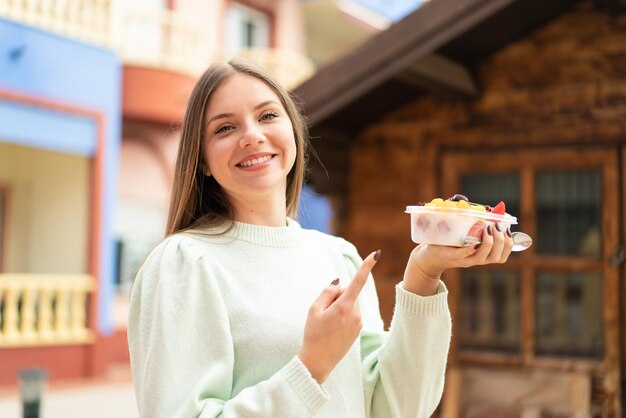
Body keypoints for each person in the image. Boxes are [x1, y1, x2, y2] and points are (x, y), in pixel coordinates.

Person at [127, 59, 514, 418]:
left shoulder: (338, 256)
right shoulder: (185, 263)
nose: (252, 136)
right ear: (202, 161)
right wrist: (311, 366)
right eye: (225, 127)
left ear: (292, 131)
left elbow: (397, 407)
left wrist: (425, 275)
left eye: (267, 115)